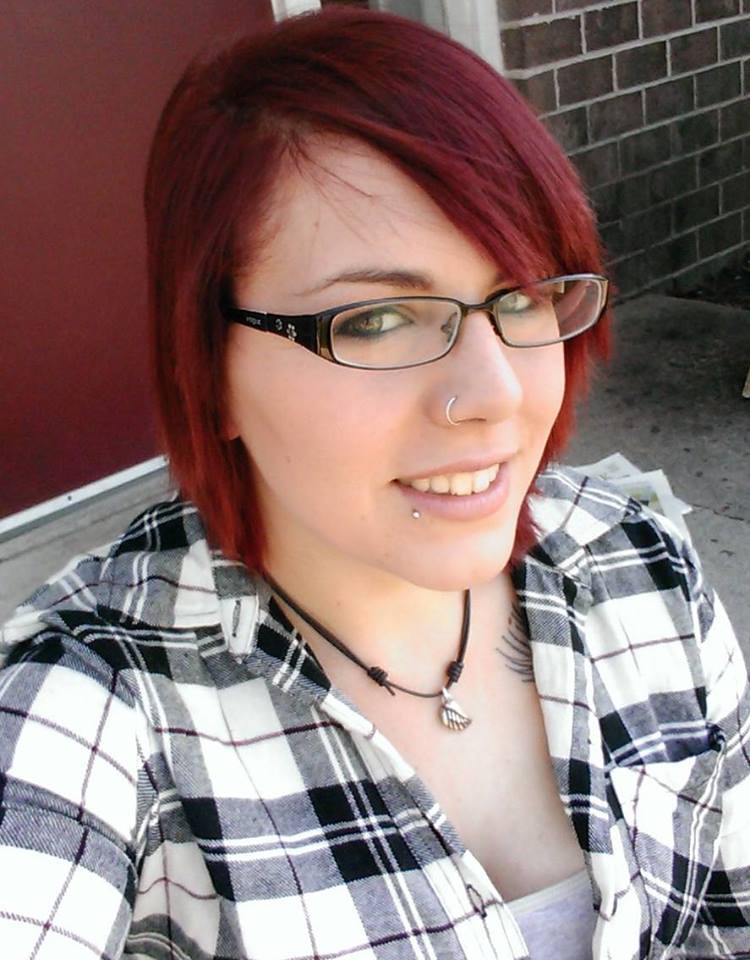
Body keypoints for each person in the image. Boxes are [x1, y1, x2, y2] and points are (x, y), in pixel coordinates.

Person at [1, 7, 748, 959]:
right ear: (208, 372)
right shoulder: (87, 713)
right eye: (377, 320)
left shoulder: (638, 564)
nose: (497, 394)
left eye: (522, 296)